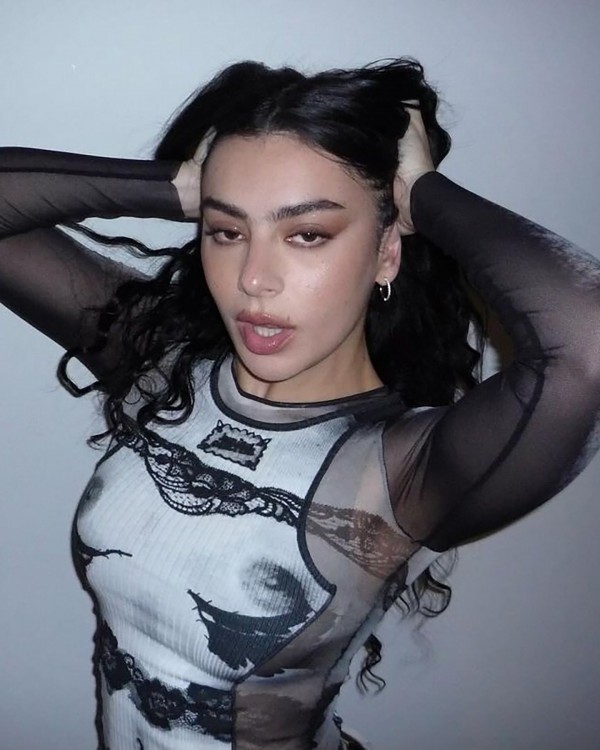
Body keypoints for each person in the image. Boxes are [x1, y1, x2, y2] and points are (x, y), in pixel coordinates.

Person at [1, 58, 599, 750]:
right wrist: (185, 186)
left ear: (387, 253)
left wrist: (419, 194)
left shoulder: (400, 469)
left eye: (307, 234)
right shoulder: (160, 366)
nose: (254, 279)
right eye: (227, 232)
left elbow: (585, 345)